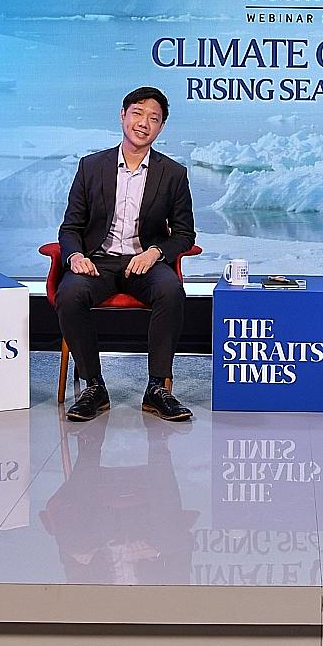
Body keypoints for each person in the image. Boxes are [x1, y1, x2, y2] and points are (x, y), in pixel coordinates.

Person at [57, 86, 196, 423]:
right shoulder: (91, 167)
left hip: (143, 263)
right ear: (123, 116)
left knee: (171, 290)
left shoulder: (173, 173)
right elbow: (70, 227)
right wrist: (75, 256)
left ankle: (157, 388)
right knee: (70, 293)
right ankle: (94, 386)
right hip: (98, 262)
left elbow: (184, 233)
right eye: (137, 113)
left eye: (154, 118)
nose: (143, 123)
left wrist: (156, 251)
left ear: (161, 128)